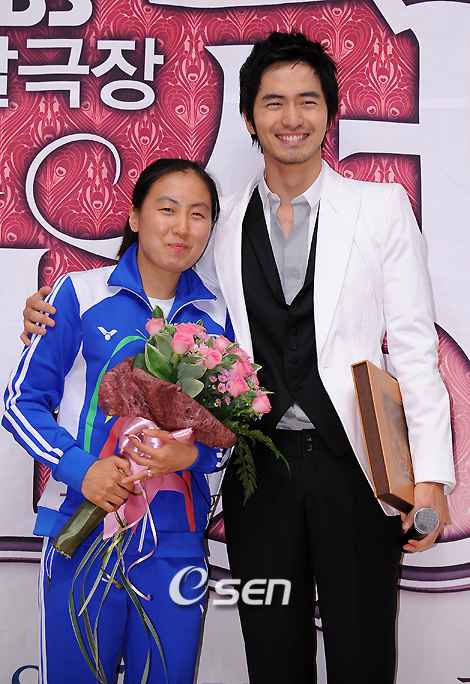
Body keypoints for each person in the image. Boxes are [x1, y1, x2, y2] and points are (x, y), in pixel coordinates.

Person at [21, 32, 455, 684]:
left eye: (307, 100)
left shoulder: (380, 208)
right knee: (272, 659)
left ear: (330, 112)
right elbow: (159, 291)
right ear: (250, 117)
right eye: (273, 102)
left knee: (364, 657)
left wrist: (432, 479)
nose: (291, 117)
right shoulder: (218, 226)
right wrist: (47, 309)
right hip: (260, 474)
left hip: (358, 468)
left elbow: (416, 349)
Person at [4, 158, 233, 684]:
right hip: (82, 525)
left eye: (198, 214)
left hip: (176, 539)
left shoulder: (219, 316)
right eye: (167, 209)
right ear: (134, 216)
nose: (181, 227)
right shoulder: (78, 294)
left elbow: (234, 433)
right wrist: (81, 468)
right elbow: (21, 402)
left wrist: (194, 455)